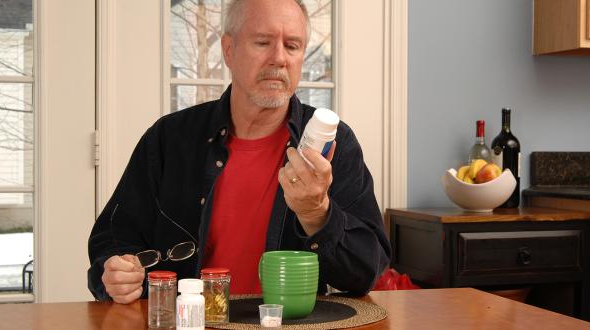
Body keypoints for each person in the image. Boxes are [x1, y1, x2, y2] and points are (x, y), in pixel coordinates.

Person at [87, 0, 391, 304]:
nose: (279, 58)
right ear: (228, 50)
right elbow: (112, 239)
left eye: (293, 46)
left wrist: (318, 213)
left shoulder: (335, 146)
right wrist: (115, 273)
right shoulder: (168, 138)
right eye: (263, 42)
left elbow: (366, 272)